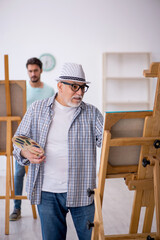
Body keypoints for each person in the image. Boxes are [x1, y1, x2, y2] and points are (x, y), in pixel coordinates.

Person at [12, 62, 103, 240]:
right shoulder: (37, 109)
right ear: (60, 86)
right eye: (74, 87)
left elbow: (107, 141)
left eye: (83, 87)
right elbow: (18, 141)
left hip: (82, 191)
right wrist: (25, 153)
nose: (80, 92)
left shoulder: (92, 113)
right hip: (47, 192)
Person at [9, 57, 55, 221]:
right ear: (27, 71)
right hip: (25, 139)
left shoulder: (50, 91)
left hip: (44, 138)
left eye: (35, 70)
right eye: (30, 71)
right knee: (19, 171)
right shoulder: (22, 90)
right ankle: (16, 207)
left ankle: (47, 208)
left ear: (41, 71)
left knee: (46, 171)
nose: (33, 73)